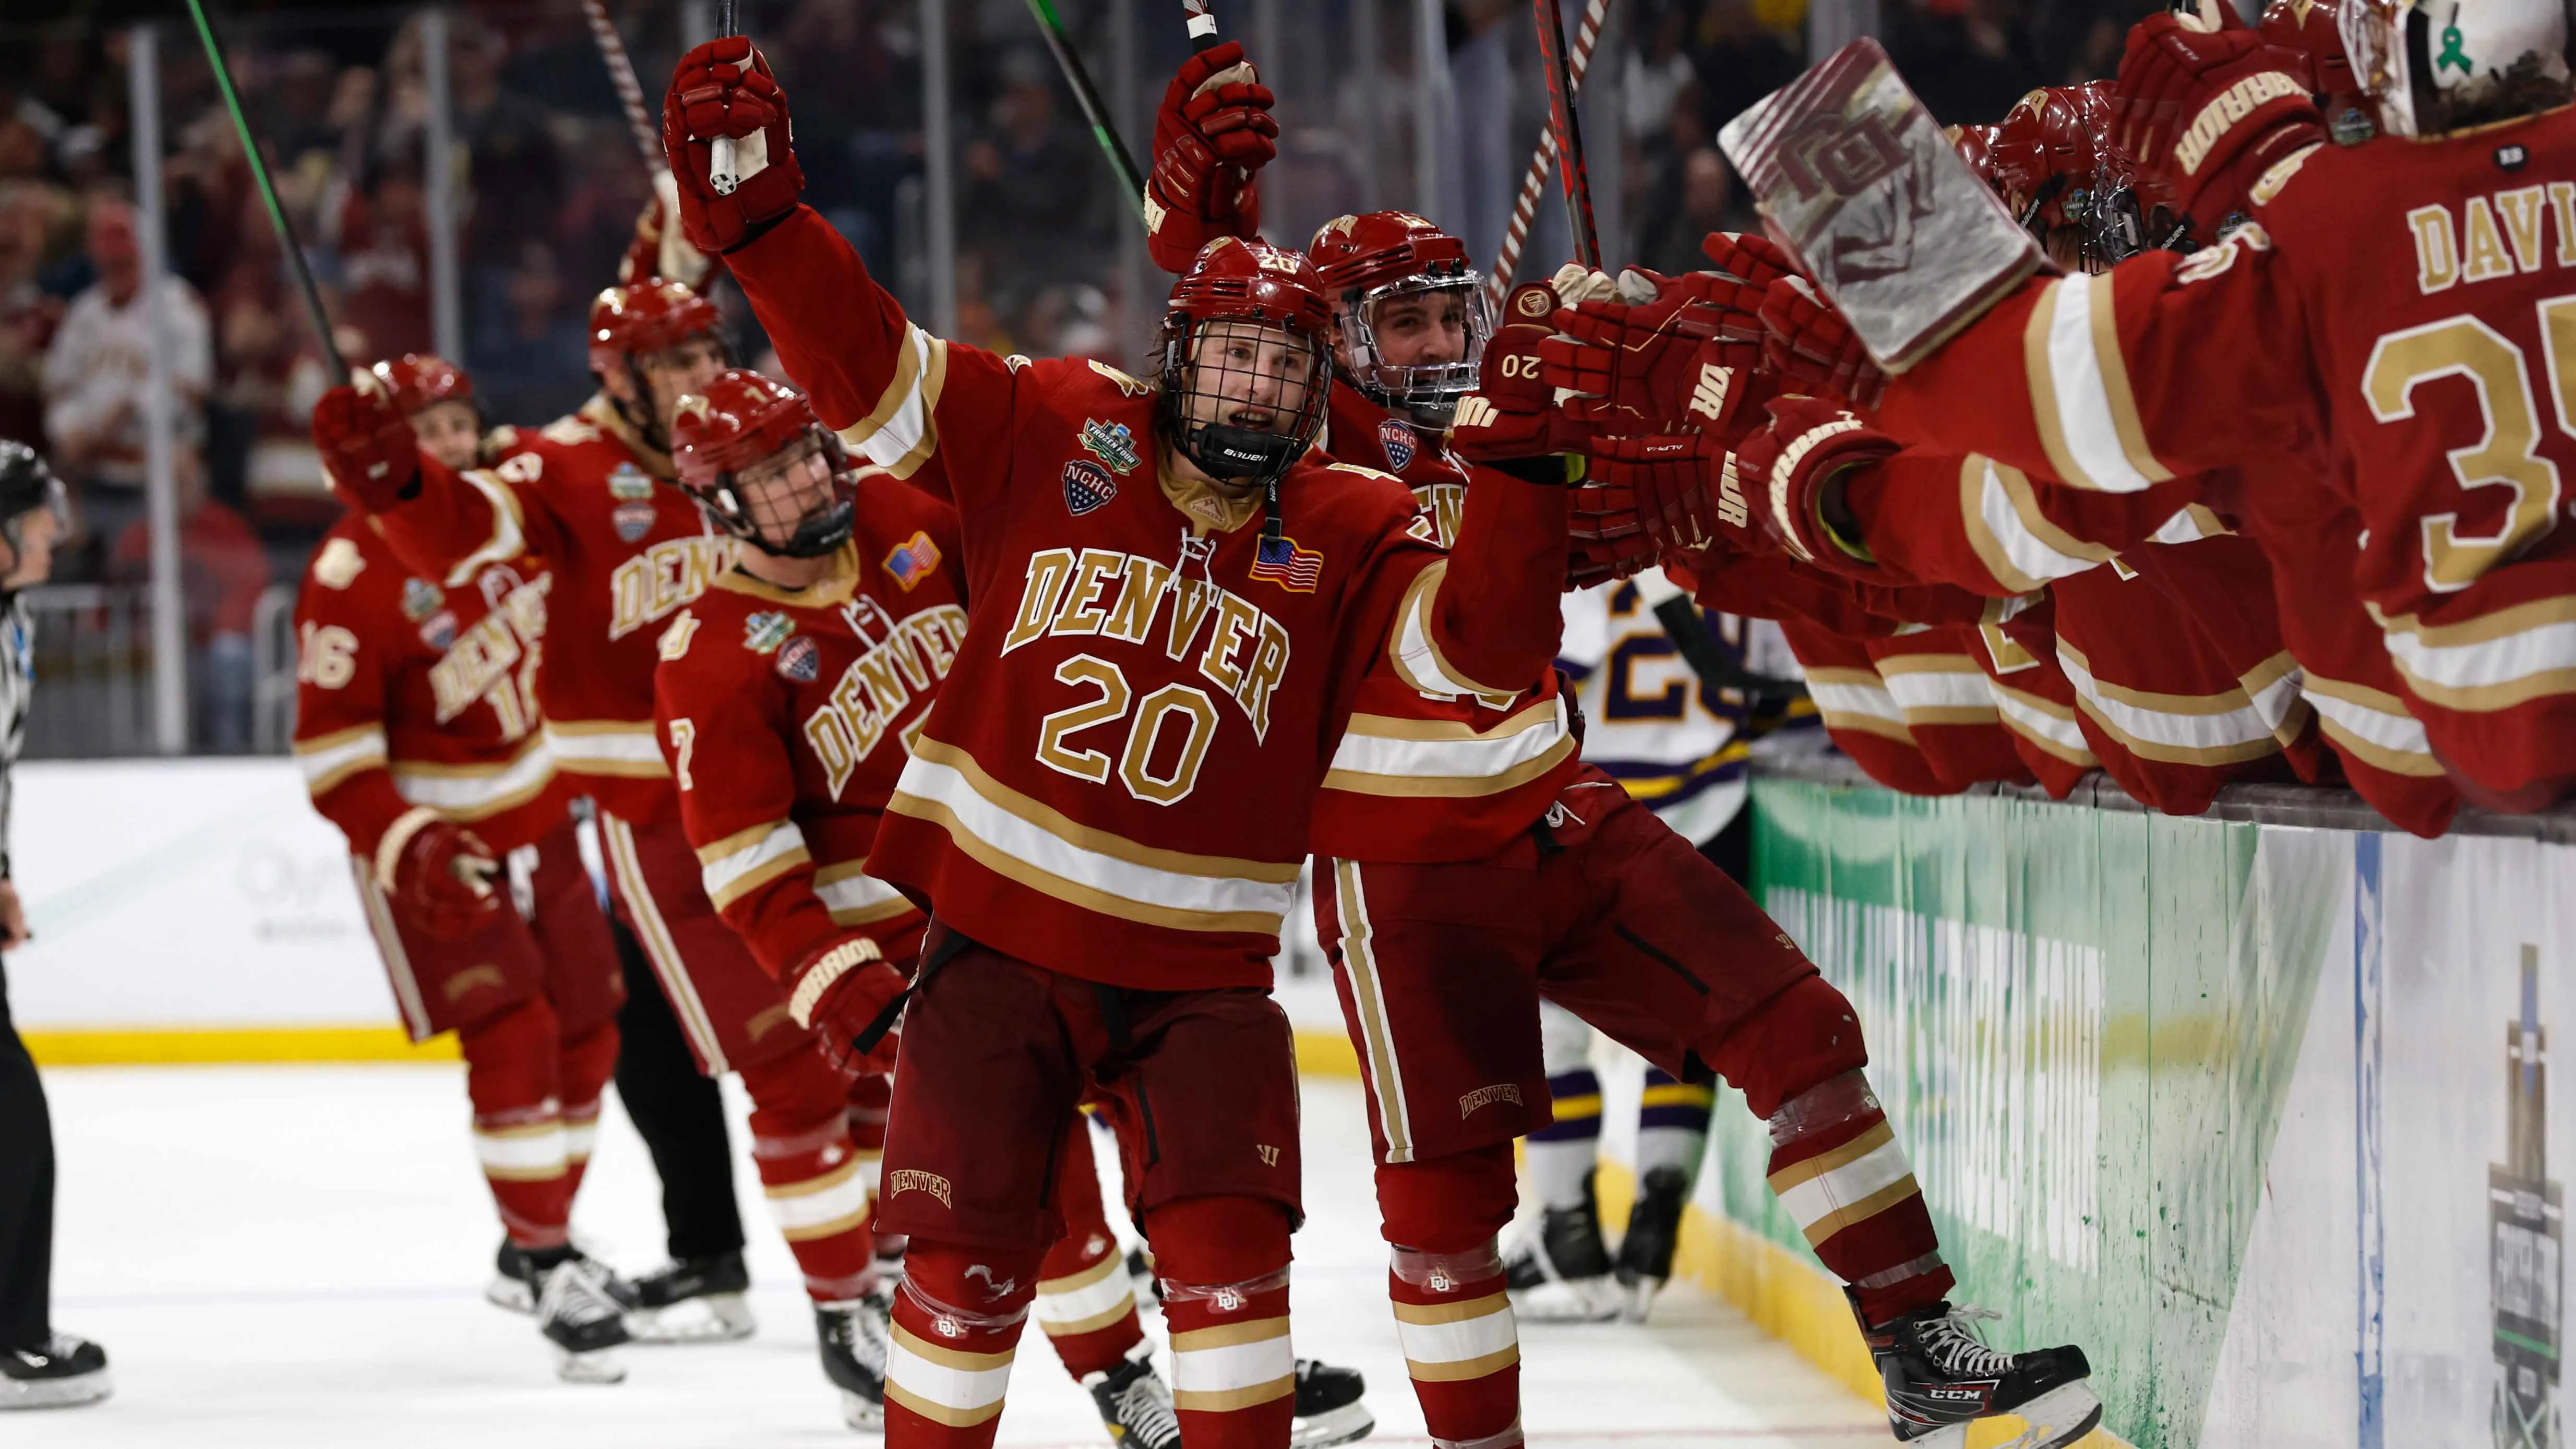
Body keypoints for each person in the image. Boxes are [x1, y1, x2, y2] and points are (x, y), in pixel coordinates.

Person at [1140, 43, 2104, 1449]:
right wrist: (1196, 206)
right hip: (1399, 872)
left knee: (1801, 1030)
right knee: (1450, 1213)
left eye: (1445, 317)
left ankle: (1921, 1354)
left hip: (1560, 809)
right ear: (1334, 345)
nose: (1436, 346)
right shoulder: (1297, 453)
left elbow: (1642, 494)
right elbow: (1215, 305)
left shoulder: (1501, 418)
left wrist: (1642, 368)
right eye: (1399, 326)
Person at [663, 35, 1575, 1449]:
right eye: (1234, 356)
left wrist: (1521, 475)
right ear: (1175, 354)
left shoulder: (1354, 523)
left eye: (1288, 364)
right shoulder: (1055, 421)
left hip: (1203, 980)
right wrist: (769, 237)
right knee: (962, 1295)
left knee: (1233, 1289)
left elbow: (1487, 652)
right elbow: (873, 373)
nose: (1261, 389)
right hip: (994, 952)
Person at [310, 282, 897, 1428]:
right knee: (789, 1064)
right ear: (617, 376)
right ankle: (843, 1311)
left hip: (825, 794)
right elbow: (457, 536)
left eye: (698, 350)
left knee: (881, 1053)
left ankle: (904, 1264)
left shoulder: (759, 436)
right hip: (667, 823)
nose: (687, 375)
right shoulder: (553, 467)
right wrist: (396, 485)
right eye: (662, 359)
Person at [290, 354, 631, 1381]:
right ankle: (542, 1251)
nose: (440, 444)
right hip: (441, 849)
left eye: (451, 422)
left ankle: (542, 1238)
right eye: (417, 429)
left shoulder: (508, 509)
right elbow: (333, 761)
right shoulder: (349, 576)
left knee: (588, 1026)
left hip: (543, 823)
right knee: (516, 1035)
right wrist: (414, 843)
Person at [0, 439, 104, 1411]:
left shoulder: (10, 623)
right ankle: (10, 1340)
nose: (54, 530)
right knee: (12, 1127)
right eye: (36, 515)